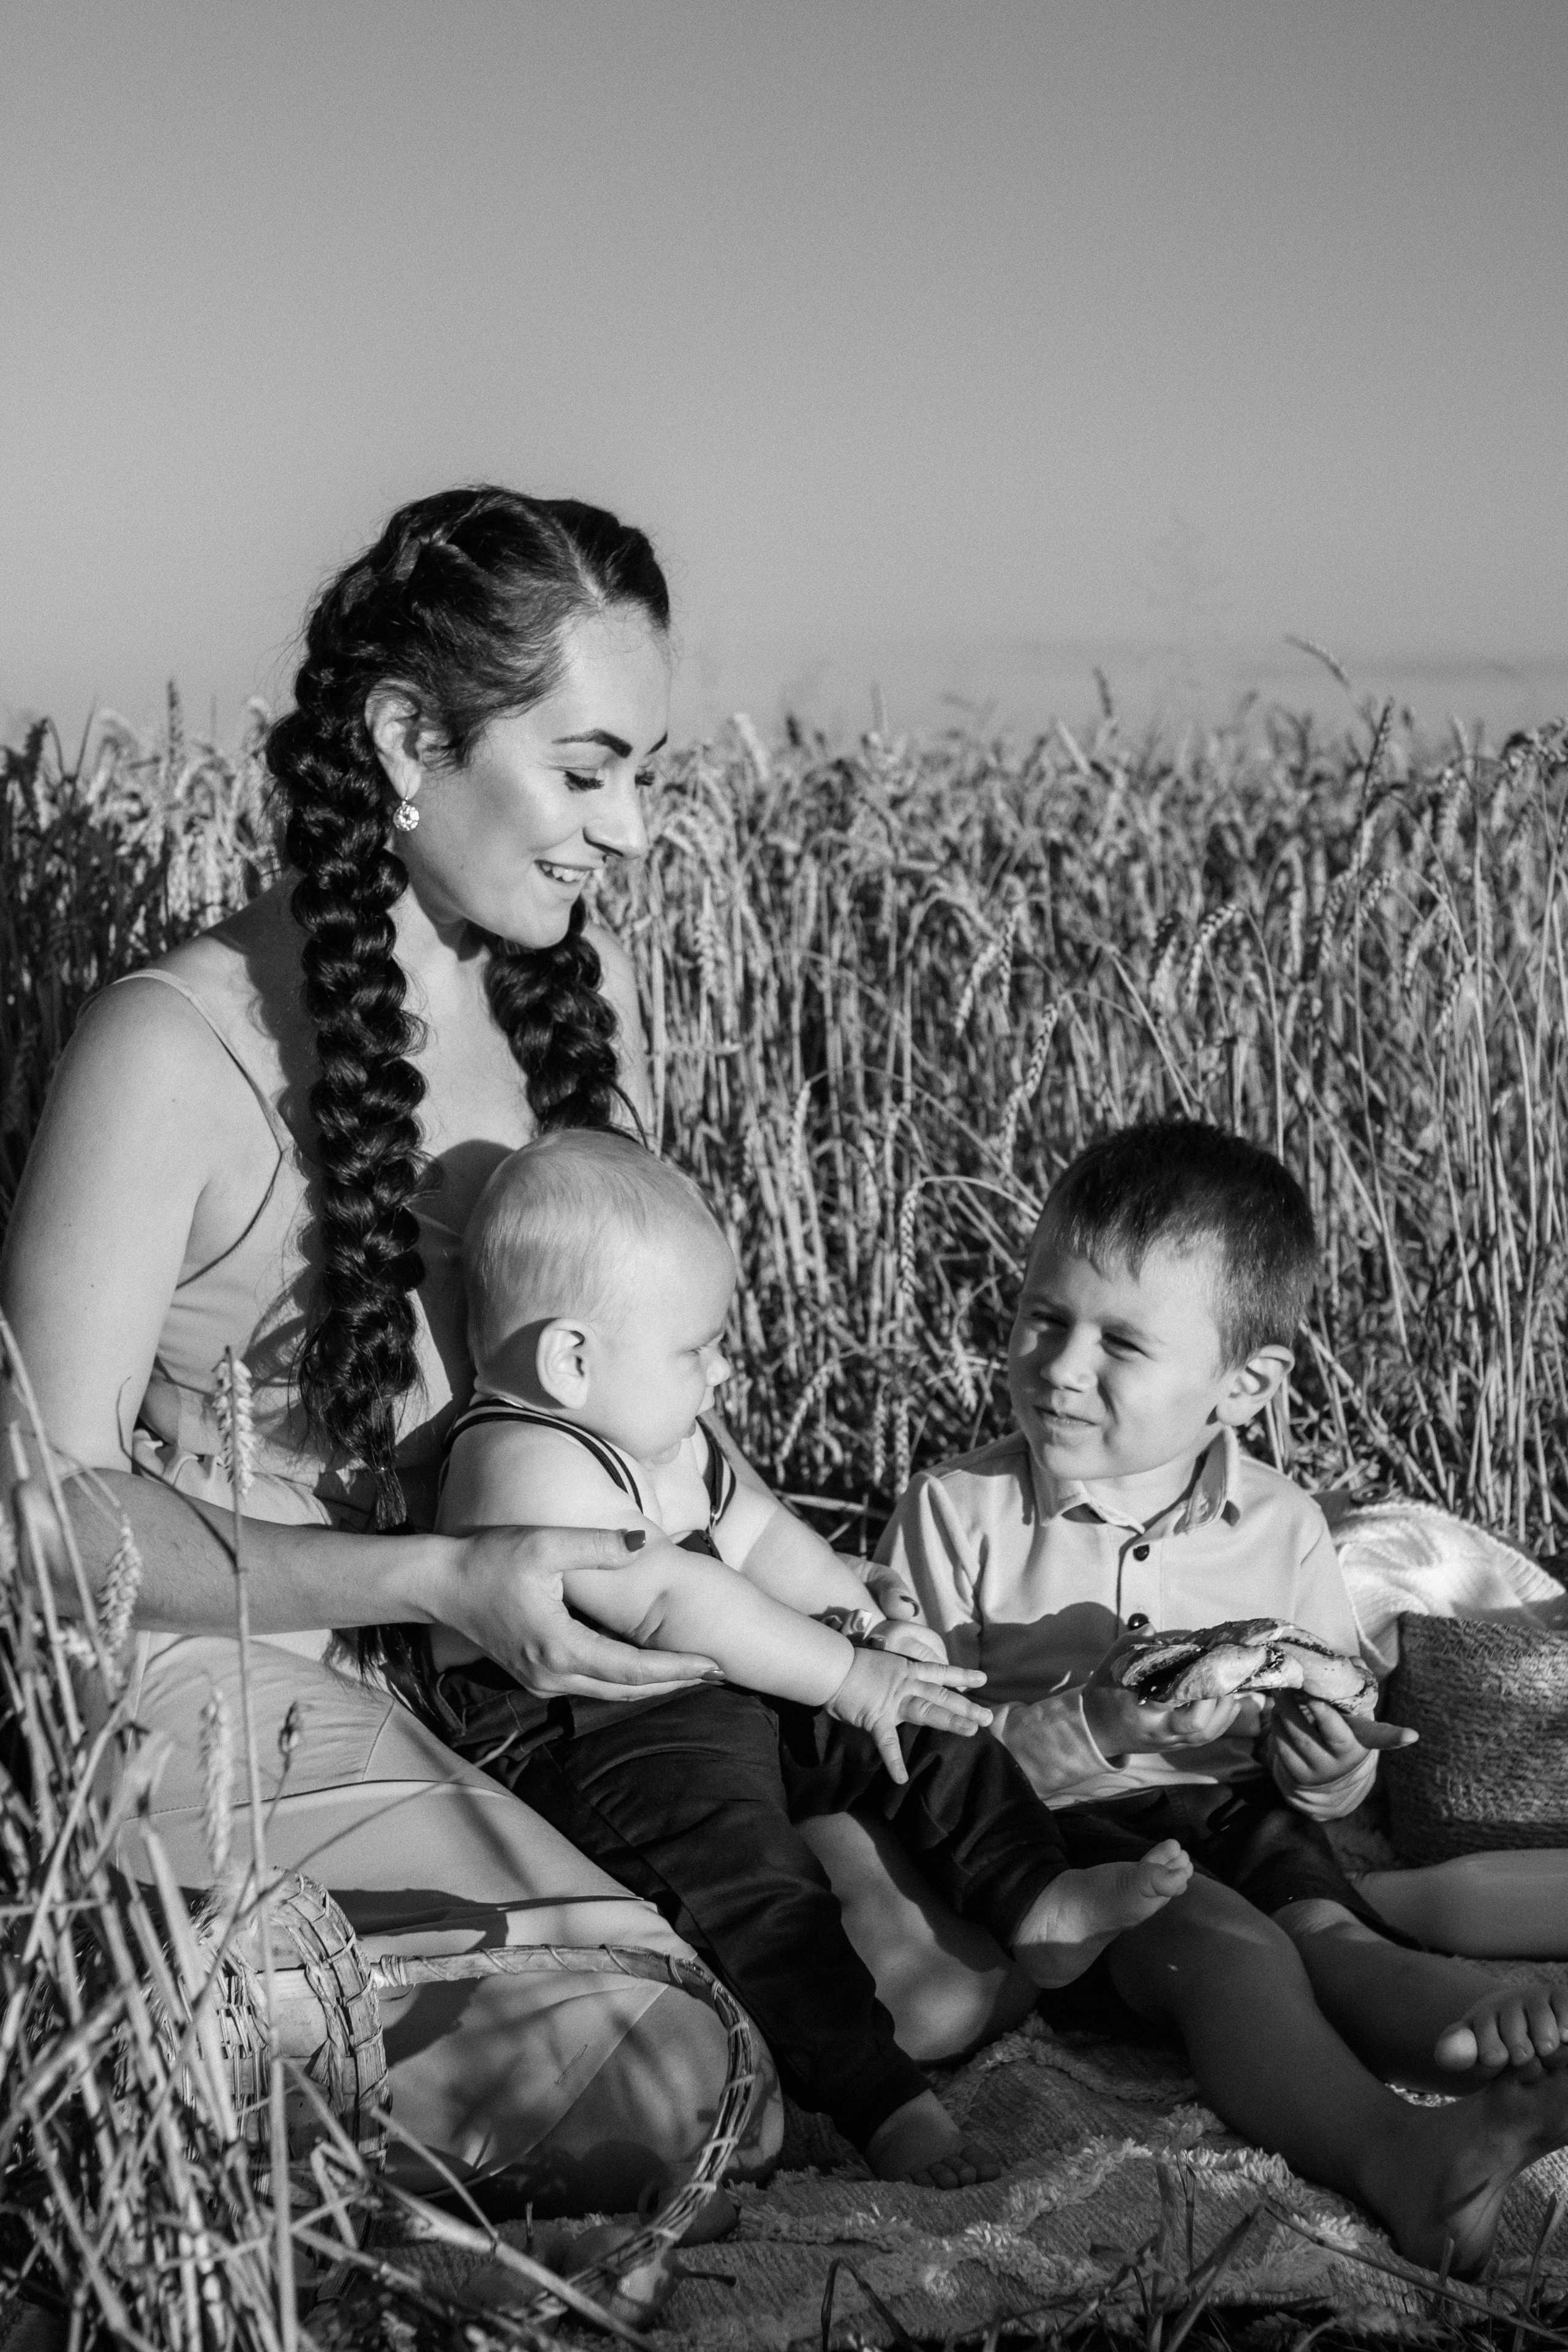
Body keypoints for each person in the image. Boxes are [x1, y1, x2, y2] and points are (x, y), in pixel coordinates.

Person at [0, 484, 790, 2220]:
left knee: (918, 1923)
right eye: (588, 773)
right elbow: (43, 1525)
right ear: (409, 738)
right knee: (677, 2083)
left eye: (642, 773)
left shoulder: (576, 1002)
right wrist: (436, 1572)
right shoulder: (167, 1051)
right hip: (215, 1680)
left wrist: (858, 1617)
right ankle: (104, 2055)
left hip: (498, 1690)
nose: (634, 833)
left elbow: (646, 1409)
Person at [417, 1126, 1194, 2187]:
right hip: (604, 1737)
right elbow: (666, 1602)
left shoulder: (652, 1431)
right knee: (756, 1890)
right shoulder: (514, 1459)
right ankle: (882, 2102)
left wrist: (871, 1631)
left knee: (928, 1719)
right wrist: (842, 1674)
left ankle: (1035, 1895)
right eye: (696, 1349)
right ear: (572, 1359)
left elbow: (764, 1541)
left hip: (733, 1674)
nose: (722, 1368)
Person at [872, 1118, 1568, 2272]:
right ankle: (1398, 2154)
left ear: (1242, 1385)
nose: (1059, 1367)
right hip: (1056, 1840)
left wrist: (1331, 1763)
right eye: (1043, 1317)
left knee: (1336, 1932)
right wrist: (1093, 1723)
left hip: (1238, 1809)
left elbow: (1331, 1749)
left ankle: (1490, 2050)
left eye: (1119, 1344)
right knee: (1230, 1949)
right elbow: (917, 1747)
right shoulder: (957, 1514)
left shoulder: (1284, 1525)